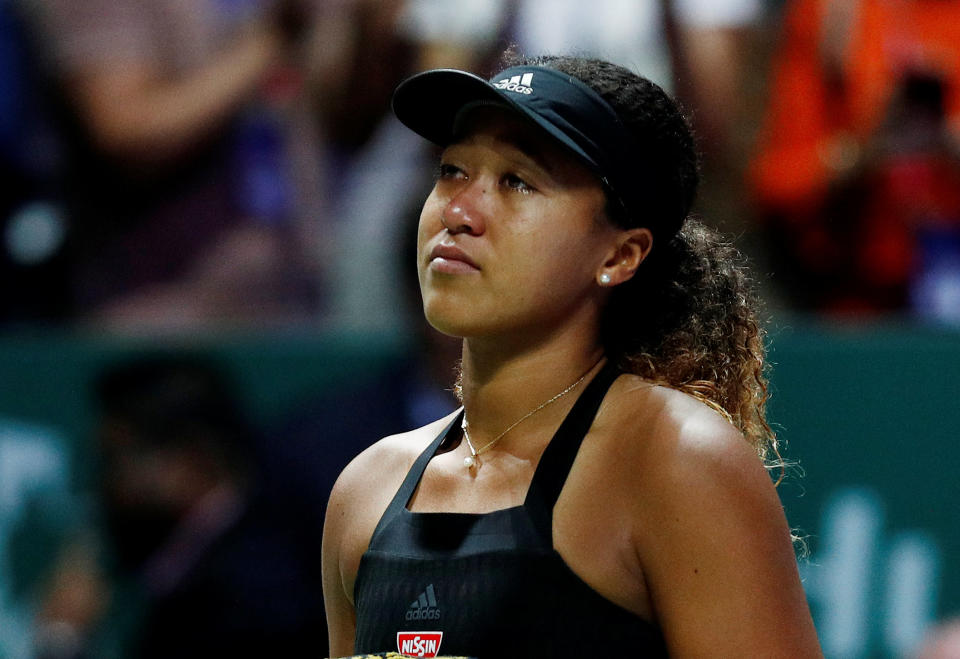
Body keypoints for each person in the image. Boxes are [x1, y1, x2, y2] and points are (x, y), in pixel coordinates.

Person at [321, 52, 823, 658]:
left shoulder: (677, 460)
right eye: (452, 170)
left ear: (619, 255)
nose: (458, 212)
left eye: (517, 182)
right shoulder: (364, 490)